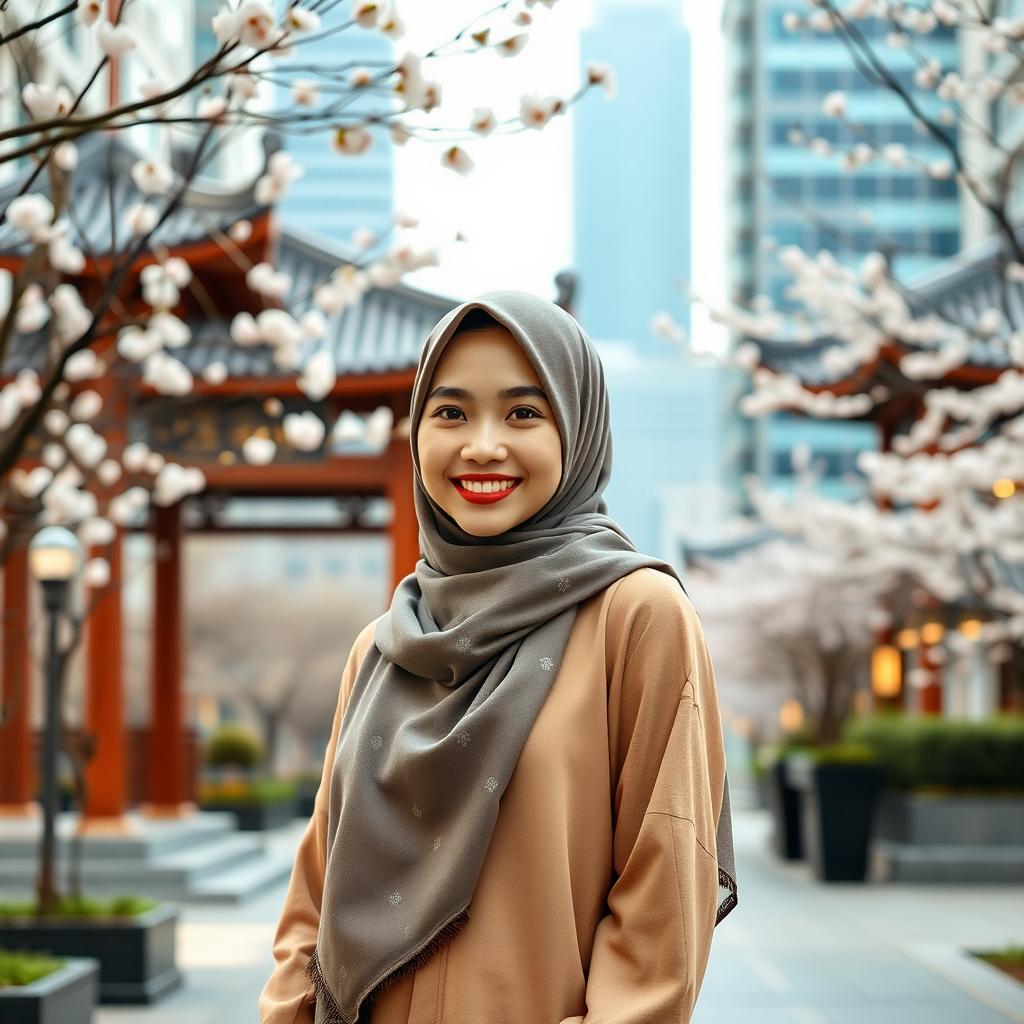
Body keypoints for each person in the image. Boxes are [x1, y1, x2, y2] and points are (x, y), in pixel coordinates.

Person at [259, 291, 738, 1024]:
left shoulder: (636, 616)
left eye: (523, 413)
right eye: (450, 413)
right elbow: (317, 891)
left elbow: (661, 900)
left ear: (577, 432)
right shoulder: (386, 645)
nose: (482, 445)